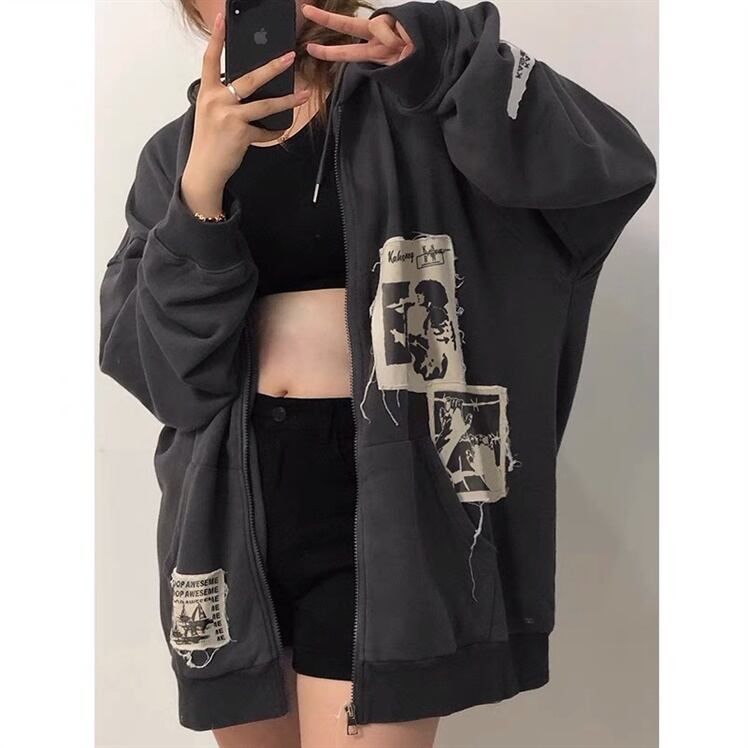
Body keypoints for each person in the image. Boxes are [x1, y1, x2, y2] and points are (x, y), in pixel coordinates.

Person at [99, 1, 656, 746]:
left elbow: (606, 172)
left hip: (390, 491)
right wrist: (200, 191)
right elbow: (157, 370)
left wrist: (446, 62)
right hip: (230, 503)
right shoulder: (177, 153)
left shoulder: (416, 99)